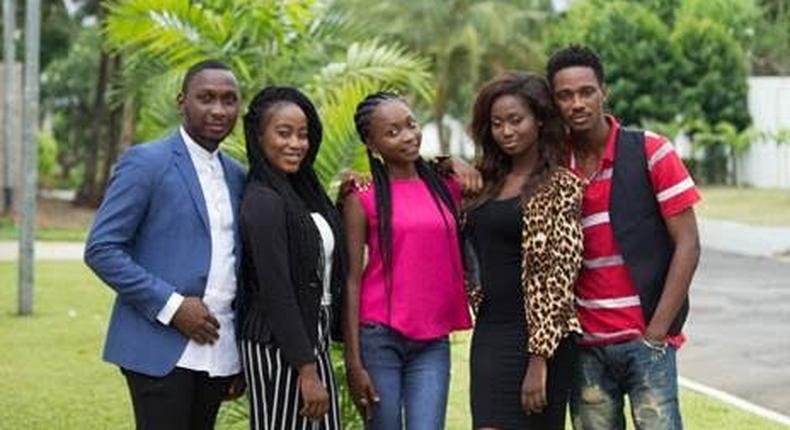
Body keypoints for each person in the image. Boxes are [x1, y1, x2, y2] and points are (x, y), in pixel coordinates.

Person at [84, 59, 246, 430]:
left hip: (217, 350)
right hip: (158, 344)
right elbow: (102, 248)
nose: (219, 110)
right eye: (206, 98)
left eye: (229, 100)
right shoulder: (146, 162)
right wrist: (172, 306)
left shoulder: (237, 175)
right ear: (181, 101)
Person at [546, 45, 701, 430]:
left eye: (586, 92)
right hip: (584, 347)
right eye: (565, 95)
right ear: (554, 102)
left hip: (646, 340)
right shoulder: (551, 168)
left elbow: (688, 244)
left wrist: (657, 332)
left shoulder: (651, 151)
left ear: (604, 92)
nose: (577, 103)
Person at [342, 92, 473, 430]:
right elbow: (351, 279)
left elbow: (494, 180)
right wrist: (354, 363)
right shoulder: (362, 198)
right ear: (372, 144)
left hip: (432, 340)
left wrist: (452, 159)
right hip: (379, 335)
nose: (408, 135)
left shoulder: (448, 186)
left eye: (411, 124)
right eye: (393, 131)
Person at [465, 72, 585, 429]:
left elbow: (558, 276)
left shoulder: (560, 185)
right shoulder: (485, 182)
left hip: (538, 340)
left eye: (516, 120)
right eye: (497, 123)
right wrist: (447, 163)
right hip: (489, 332)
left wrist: (539, 359)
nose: (507, 131)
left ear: (539, 120)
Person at [238, 86, 346, 430]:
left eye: (303, 134)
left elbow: (322, 253)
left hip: (310, 338)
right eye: (283, 133)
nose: (296, 144)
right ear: (258, 136)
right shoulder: (263, 198)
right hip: (277, 345)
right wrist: (306, 370)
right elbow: (276, 290)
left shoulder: (302, 189)